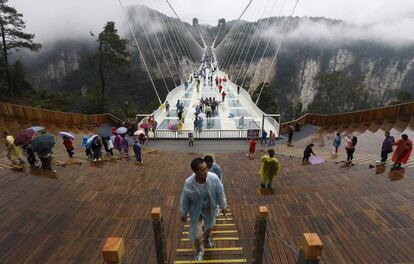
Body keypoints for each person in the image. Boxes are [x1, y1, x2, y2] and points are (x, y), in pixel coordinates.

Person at [180, 158, 227, 261]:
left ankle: (207, 237)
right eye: (202, 170)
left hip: (209, 208)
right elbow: (185, 199)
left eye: (206, 168)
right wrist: (183, 213)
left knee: (209, 227)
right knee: (197, 236)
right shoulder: (189, 183)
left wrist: (223, 206)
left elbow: (220, 192)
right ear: (195, 171)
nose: (206, 171)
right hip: (196, 210)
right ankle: (199, 250)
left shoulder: (213, 178)